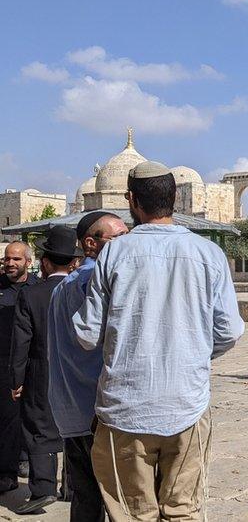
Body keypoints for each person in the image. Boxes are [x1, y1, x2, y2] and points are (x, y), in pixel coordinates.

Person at [73, 161, 245, 520]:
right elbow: (229, 330)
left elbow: (87, 334)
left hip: (124, 407)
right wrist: (192, 352)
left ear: (132, 200)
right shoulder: (209, 253)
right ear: (176, 198)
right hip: (187, 403)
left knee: (133, 514)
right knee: (183, 510)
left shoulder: (114, 253)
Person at [49, 211, 128, 522]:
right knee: (119, 500)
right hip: (100, 413)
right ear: (91, 243)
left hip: (72, 411)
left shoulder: (61, 288)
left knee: (85, 498)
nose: (127, 243)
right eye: (119, 237)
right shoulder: (97, 283)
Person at [9, 226, 82, 514]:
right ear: (73, 262)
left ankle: (43, 488)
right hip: (77, 371)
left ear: (46, 262)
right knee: (77, 430)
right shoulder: (83, 289)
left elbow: (21, 342)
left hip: (41, 370)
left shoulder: (32, 295)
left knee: (39, 427)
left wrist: (16, 379)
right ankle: (74, 487)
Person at [0, 241, 37, 495]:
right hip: (3, 363)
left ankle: (28, 461)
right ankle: (7, 473)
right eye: (7, 259)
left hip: (32, 363)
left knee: (31, 418)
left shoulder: (37, 289)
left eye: (16, 259)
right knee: (7, 419)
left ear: (28, 262)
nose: (10, 264)